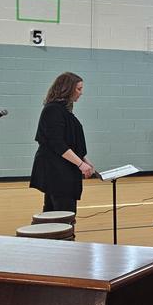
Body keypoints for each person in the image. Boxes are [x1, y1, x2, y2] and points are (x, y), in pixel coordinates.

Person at [30, 72, 93, 213]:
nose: (81, 93)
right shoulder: (53, 110)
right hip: (56, 170)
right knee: (63, 213)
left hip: (62, 169)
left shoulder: (63, 110)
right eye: (79, 89)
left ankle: (51, 234)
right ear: (67, 89)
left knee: (53, 211)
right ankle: (62, 235)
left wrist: (84, 159)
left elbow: (70, 141)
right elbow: (57, 143)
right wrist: (81, 164)